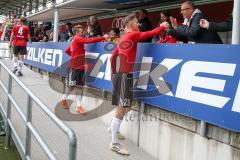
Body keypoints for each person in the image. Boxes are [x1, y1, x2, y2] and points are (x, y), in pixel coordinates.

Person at [109, 13, 167, 155]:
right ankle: (114, 143)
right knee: (123, 109)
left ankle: (112, 128)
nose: (139, 24)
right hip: (124, 77)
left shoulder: (123, 37)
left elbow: (112, 56)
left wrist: (113, 73)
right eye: (136, 22)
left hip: (121, 76)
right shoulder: (132, 35)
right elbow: (150, 33)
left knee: (125, 107)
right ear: (130, 25)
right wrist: (162, 26)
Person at [61, 25, 107, 114]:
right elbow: (88, 40)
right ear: (77, 33)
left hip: (81, 68)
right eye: (81, 32)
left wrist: (75, 56)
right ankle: (63, 99)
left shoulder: (75, 41)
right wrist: (102, 38)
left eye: (83, 32)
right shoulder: (77, 39)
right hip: (74, 68)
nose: (83, 34)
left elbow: (67, 50)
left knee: (80, 87)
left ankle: (78, 106)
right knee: (71, 87)